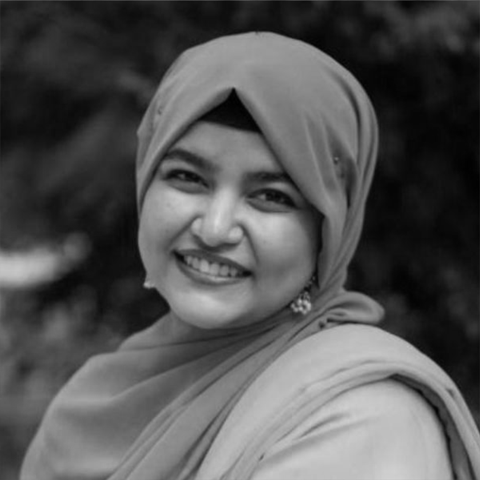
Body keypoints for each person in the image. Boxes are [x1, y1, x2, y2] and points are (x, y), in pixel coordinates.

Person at [21, 32, 480, 480]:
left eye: (272, 197)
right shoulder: (99, 398)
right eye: (187, 177)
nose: (215, 229)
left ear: (328, 230)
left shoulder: (362, 419)